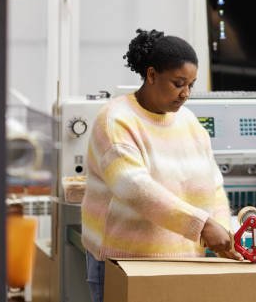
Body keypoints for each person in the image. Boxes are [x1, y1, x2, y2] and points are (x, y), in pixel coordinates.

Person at [81, 29, 241, 302]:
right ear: (152, 75)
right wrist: (202, 227)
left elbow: (213, 185)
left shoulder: (189, 123)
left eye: (191, 84)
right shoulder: (116, 120)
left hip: (186, 262)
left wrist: (224, 234)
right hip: (126, 262)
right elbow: (135, 188)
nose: (186, 93)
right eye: (178, 83)